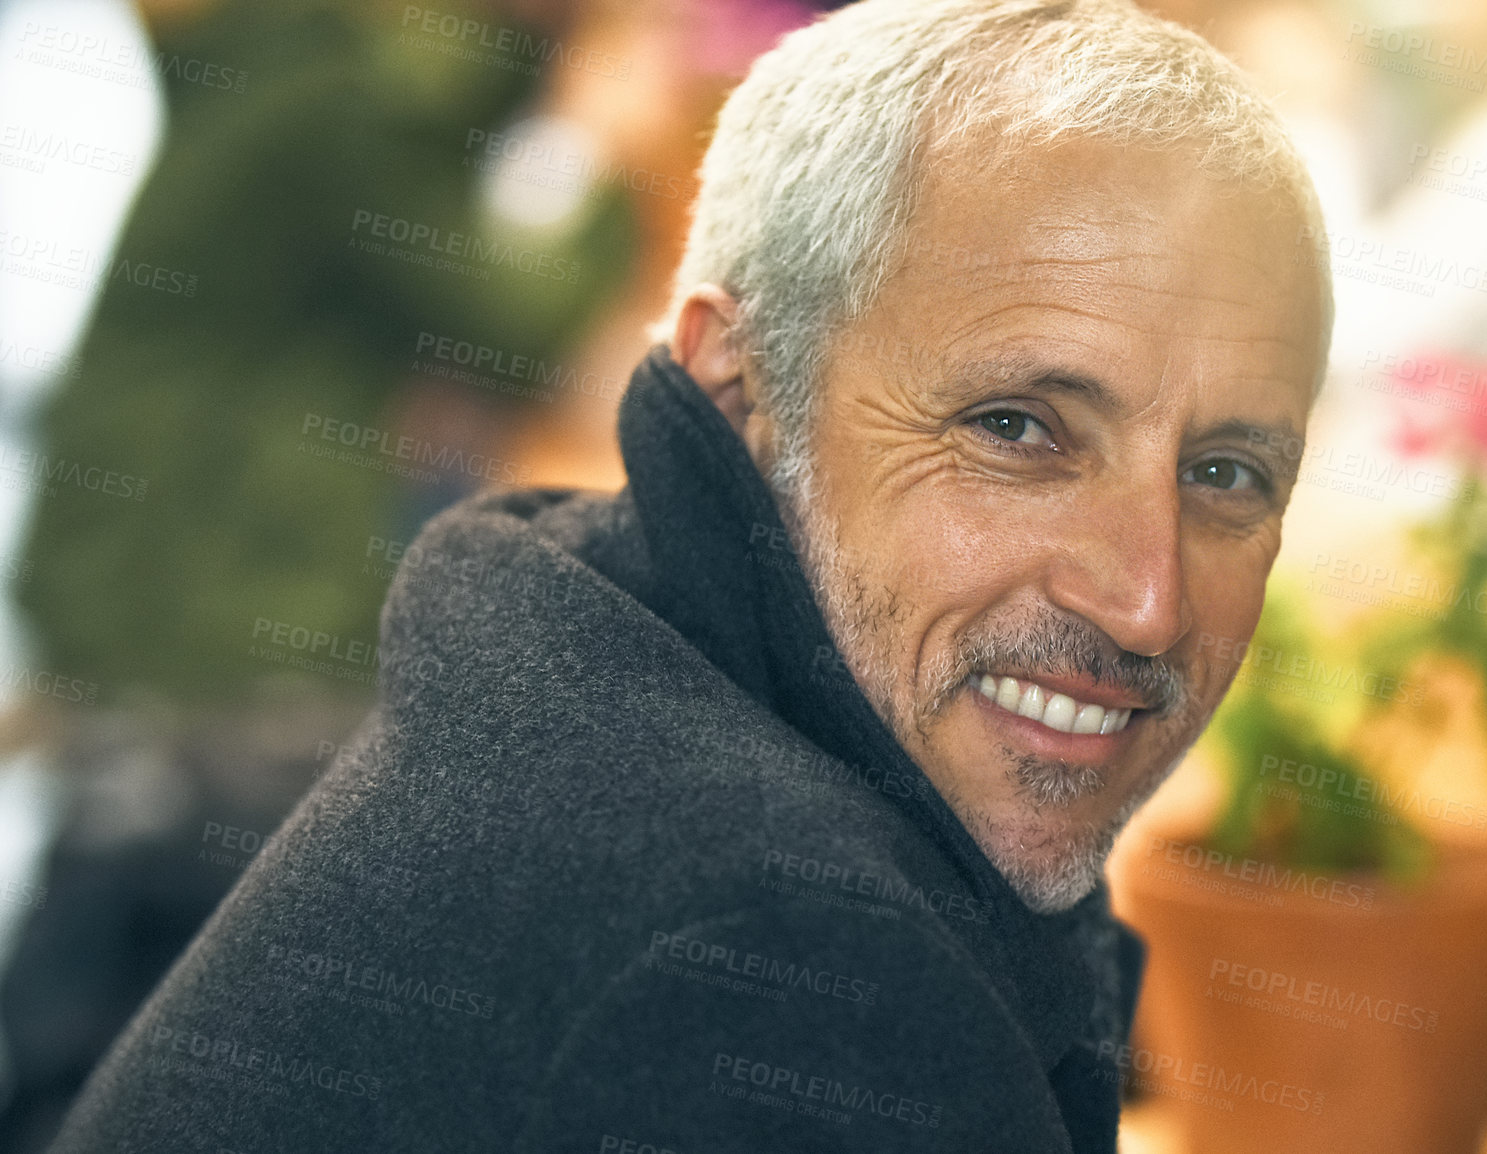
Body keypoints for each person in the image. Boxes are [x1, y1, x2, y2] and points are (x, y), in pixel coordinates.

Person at [47, 0, 1331, 1149]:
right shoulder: (790, 959)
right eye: (1014, 428)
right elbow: (507, 315)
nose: (1146, 597)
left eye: (1225, 474)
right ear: (738, 384)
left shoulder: (587, 660)